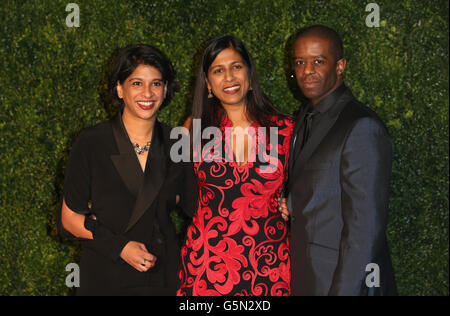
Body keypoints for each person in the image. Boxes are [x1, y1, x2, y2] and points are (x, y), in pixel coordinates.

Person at [58, 44, 188, 295]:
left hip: (162, 275)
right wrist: (121, 247)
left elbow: (195, 201)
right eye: (137, 83)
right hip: (106, 274)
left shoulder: (176, 142)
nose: (147, 93)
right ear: (120, 88)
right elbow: (69, 219)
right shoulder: (92, 142)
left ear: (165, 89)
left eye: (156, 83)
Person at [280, 25, 397, 295]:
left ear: (340, 65)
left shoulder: (362, 126)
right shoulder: (304, 119)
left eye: (318, 61)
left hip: (343, 283)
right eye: (300, 62)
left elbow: (364, 232)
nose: (307, 71)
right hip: (308, 278)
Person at [177, 35, 294, 296]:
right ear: (208, 83)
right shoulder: (193, 130)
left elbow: (309, 188)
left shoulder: (286, 130)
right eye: (218, 70)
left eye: (236, 67)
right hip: (206, 269)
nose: (229, 77)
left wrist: (292, 201)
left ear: (249, 74)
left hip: (269, 267)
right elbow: (168, 192)